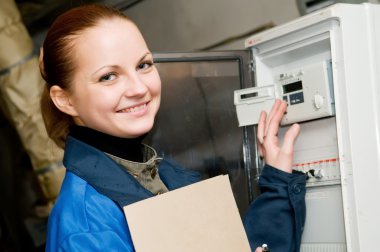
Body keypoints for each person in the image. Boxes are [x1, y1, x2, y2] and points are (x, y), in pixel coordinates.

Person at [39, 4, 307, 252]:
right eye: (108, 76)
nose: (139, 88)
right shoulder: (86, 228)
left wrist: (277, 180)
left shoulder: (162, 176)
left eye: (143, 65)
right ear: (65, 100)